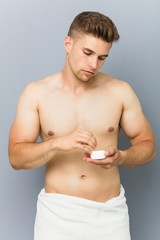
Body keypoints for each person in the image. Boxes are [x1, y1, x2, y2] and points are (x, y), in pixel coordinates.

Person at [8, 11, 156, 240]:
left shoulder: (120, 92)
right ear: (68, 43)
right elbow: (16, 158)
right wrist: (58, 143)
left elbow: (148, 146)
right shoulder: (37, 94)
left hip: (110, 215)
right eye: (87, 53)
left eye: (102, 57)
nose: (93, 64)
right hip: (57, 214)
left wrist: (122, 157)